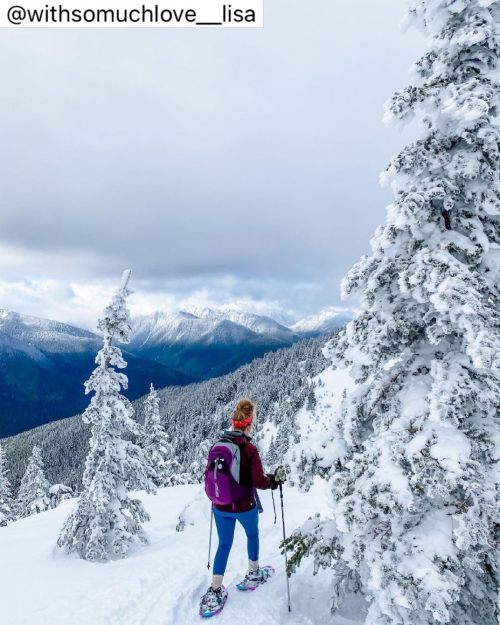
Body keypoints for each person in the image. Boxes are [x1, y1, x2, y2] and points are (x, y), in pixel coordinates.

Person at [199, 398, 283, 616]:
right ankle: (254, 573)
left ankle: (216, 589)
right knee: (252, 535)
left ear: (233, 421)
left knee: (224, 544)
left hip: (220, 505)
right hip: (245, 506)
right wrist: (274, 481)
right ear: (249, 423)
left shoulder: (218, 445)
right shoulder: (249, 450)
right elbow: (259, 481)